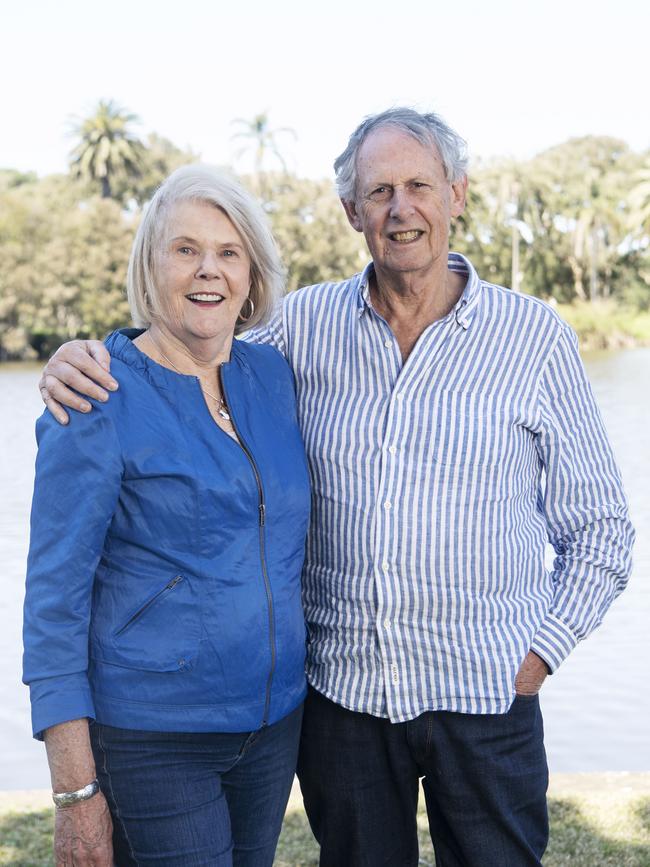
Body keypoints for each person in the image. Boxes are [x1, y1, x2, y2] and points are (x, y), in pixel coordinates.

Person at [39, 108, 634, 867]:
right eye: (378, 190)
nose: (400, 208)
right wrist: (88, 358)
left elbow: (604, 530)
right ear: (352, 211)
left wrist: (538, 655)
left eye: (419, 185)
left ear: (457, 194)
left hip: (487, 696)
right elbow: (190, 346)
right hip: (345, 705)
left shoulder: (535, 337)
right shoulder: (303, 326)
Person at [23, 165, 311, 867]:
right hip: (156, 736)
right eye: (185, 249)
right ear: (151, 266)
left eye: (228, 251)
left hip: (274, 728)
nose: (207, 270)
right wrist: (74, 790)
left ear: (250, 274)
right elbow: (53, 604)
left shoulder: (271, 376)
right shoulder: (96, 394)